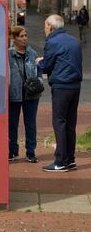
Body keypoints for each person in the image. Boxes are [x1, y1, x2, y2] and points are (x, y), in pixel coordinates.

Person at [36, 14, 82, 172]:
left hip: (61, 86)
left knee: (60, 123)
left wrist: (39, 62)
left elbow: (47, 66)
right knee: (70, 124)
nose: (44, 29)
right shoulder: (74, 41)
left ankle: (61, 161)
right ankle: (70, 160)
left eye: (45, 25)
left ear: (50, 26)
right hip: (75, 86)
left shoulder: (52, 41)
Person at [8, 26, 42, 163]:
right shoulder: (8, 54)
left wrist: (39, 79)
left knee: (30, 123)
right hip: (14, 94)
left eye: (25, 35)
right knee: (12, 124)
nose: (25, 38)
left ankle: (30, 151)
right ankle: (12, 151)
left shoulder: (32, 53)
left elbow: (38, 69)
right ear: (14, 38)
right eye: (21, 36)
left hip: (31, 95)